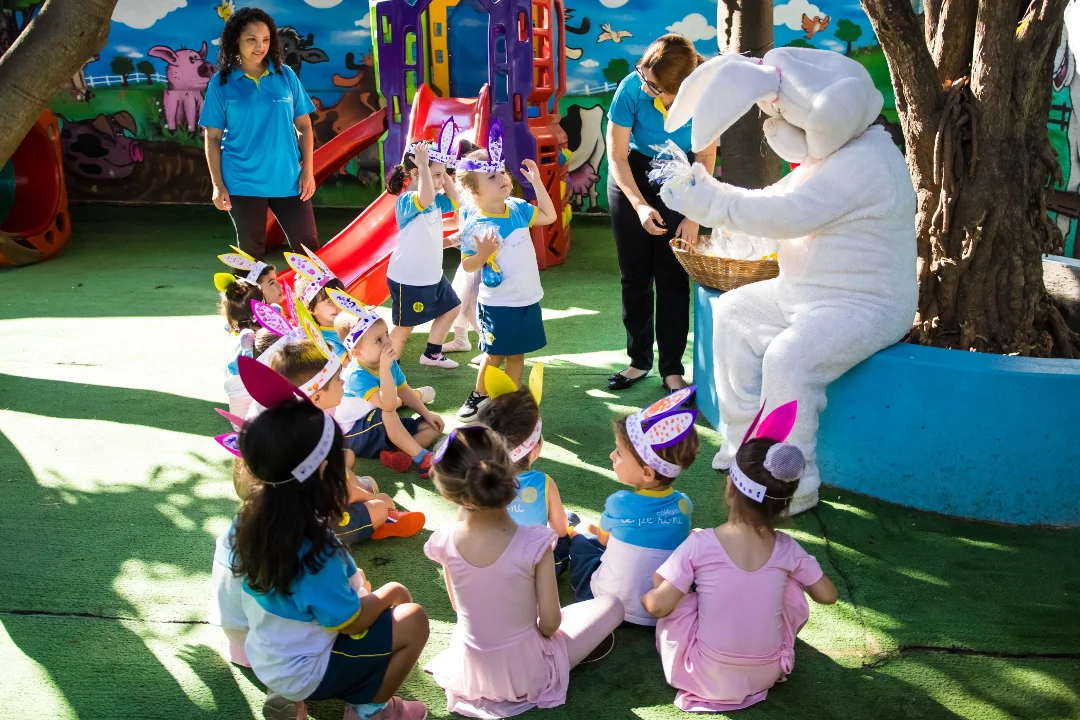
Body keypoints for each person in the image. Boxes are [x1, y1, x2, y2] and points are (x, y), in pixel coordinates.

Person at [227, 359, 430, 720]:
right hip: (308, 670)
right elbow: (350, 622)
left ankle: (289, 694)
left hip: (268, 655)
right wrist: (392, 593)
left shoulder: (247, 522)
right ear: (325, 476)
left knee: (359, 588)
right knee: (412, 619)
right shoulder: (318, 548)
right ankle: (372, 710)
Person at [642, 401, 838, 712]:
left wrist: (648, 597)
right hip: (766, 673)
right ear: (783, 504)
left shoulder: (700, 543)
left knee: (678, 595)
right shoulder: (788, 548)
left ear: (730, 487)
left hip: (703, 673)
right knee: (790, 584)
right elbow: (828, 595)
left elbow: (658, 606)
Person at [423, 426, 625, 718]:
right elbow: (550, 624)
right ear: (510, 475)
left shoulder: (443, 540)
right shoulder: (536, 541)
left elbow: (458, 606)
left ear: (448, 494)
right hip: (529, 671)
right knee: (613, 605)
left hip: (471, 670)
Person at [605, 34, 717, 394]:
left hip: (682, 174)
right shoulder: (631, 89)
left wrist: (693, 214)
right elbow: (616, 156)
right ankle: (638, 361)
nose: (644, 86)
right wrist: (639, 205)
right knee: (635, 275)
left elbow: (705, 157)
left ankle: (671, 369)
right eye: (644, 76)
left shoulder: (706, 98)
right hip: (632, 172)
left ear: (679, 91)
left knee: (673, 276)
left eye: (654, 86)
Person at [454, 120, 559, 419]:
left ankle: (509, 403)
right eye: (491, 176)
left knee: (517, 355)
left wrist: (537, 182)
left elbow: (549, 216)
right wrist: (482, 254)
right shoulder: (476, 224)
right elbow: (467, 264)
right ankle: (479, 395)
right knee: (494, 355)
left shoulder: (518, 208)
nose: (501, 177)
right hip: (498, 304)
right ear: (474, 191)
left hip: (526, 298)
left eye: (501, 172)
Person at [569, 388, 700, 625]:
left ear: (647, 473)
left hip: (606, 603)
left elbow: (603, 541)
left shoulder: (618, 502)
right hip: (659, 610)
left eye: (619, 453)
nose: (612, 456)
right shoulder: (684, 504)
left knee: (581, 537)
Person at [200, 7, 320, 261]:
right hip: (242, 180)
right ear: (236, 40)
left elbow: (305, 126)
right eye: (252, 39)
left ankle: (311, 291)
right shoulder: (221, 83)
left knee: (309, 248)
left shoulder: (286, 76)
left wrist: (308, 171)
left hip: (288, 178)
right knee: (251, 253)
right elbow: (212, 138)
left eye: (265, 39)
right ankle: (246, 290)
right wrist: (218, 185)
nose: (260, 47)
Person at [328, 289, 444, 479]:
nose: (388, 342)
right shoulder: (356, 375)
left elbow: (404, 391)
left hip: (379, 424)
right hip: (353, 435)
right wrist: (384, 369)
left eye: (386, 334)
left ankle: (396, 454)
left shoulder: (387, 363)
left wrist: (426, 413)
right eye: (379, 340)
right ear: (357, 353)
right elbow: (388, 405)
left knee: (433, 426)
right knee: (387, 412)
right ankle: (422, 458)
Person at [475, 364, 574, 576]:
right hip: (532, 572)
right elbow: (560, 530)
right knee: (568, 531)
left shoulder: (475, 482)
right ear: (534, 449)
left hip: (488, 570)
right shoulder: (544, 483)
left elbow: (464, 528)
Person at [385, 124, 464, 369]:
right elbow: (426, 196)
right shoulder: (407, 200)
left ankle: (431, 353)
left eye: (442, 175)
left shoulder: (435, 200)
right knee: (404, 327)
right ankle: (387, 367)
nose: (441, 180)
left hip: (431, 275)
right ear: (417, 174)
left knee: (452, 308)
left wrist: (442, 171)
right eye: (437, 175)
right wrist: (424, 165)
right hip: (409, 278)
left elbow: (458, 201)